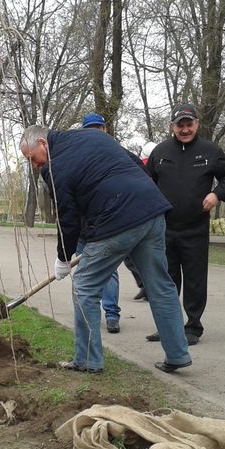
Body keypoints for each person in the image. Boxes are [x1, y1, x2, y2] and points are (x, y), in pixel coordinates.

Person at [20, 125, 192, 375]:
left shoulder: (55, 168)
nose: (34, 165)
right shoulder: (94, 135)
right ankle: (178, 354)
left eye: (32, 158)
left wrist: (63, 258)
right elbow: (135, 163)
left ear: (43, 144)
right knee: (161, 286)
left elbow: (66, 218)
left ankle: (88, 360)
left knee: (85, 288)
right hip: (152, 212)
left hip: (118, 218)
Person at [145, 103, 225, 345]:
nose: (185, 129)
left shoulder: (210, 150)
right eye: (180, 125)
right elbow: (145, 182)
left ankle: (193, 327)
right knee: (166, 280)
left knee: (195, 280)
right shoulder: (161, 151)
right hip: (165, 228)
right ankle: (169, 325)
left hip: (195, 228)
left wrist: (217, 194)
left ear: (196, 124)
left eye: (189, 124)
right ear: (172, 126)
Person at [78, 112, 121, 333]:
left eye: (99, 128)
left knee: (109, 271)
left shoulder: (115, 154)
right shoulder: (77, 155)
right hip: (81, 224)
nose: (95, 132)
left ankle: (112, 314)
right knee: (82, 272)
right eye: (90, 129)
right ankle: (87, 315)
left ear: (104, 130)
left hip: (106, 224)